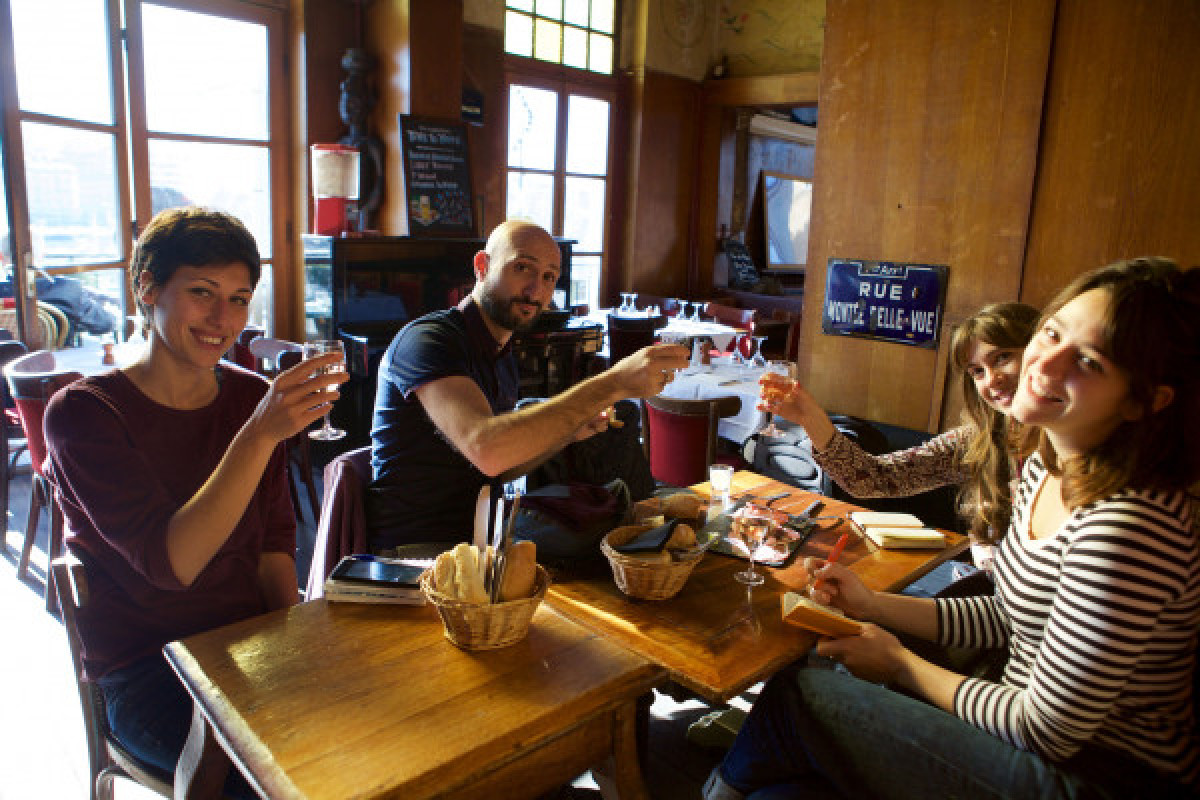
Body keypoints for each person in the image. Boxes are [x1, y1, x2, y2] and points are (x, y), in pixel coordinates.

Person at [705, 258, 1200, 799]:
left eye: (1088, 361)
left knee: (801, 694)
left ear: (1145, 402)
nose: (1044, 363)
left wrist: (899, 664)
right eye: (1053, 334)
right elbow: (1008, 617)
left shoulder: (1129, 526)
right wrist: (873, 606)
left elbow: (1047, 729)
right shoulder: (1045, 467)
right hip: (1024, 733)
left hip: (1102, 774)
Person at [44, 207, 347, 792]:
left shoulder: (249, 396)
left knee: (379, 740)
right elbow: (173, 563)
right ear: (146, 289)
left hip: (249, 651)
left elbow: (274, 545)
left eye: (238, 299)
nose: (222, 318)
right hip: (146, 672)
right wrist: (258, 434)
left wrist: (299, 649)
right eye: (201, 293)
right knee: (280, 785)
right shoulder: (85, 413)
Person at [367, 219, 688, 551]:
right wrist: (615, 382)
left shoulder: (502, 351)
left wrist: (570, 431)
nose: (536, 290)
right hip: (413, 554)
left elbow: (500, 466)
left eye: (549, 277)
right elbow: (486, 448)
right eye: (523, 268)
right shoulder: (427, 341)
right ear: (482, 266)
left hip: (481, 542)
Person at [760, 302, 1040, 575]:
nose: (991, 380)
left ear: (1042, 352)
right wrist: (810, 418)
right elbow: (872, 478)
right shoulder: (975, 441)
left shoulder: (1071, 451)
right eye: (977, 371)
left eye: (1002, 358)